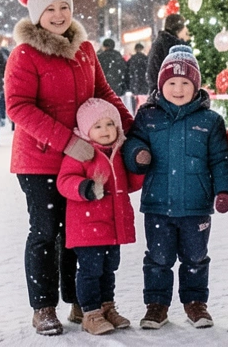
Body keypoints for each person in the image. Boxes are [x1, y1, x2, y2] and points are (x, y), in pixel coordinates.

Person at [6, 0, 132, 335]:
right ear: (37, 15)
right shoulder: (25, 55)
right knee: (46, 231)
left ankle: (82, 301)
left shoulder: (85, 50)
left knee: (81, 231)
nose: (59, 15)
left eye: (64, 7)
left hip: (83, 157)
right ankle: (43, 306)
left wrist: (130, 127)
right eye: (50, 9)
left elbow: (102, 92)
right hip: (40, 159)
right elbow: (18, 106)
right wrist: (66, 141)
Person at [122, 45, 228, 331]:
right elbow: (133, 142)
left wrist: (225, 191)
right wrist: (138, 154)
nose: (178, 89)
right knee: (158, 258)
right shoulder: (148, 116)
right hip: (158, 203)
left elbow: (221, 159)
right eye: (172, 82)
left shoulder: (210, 121)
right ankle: (156, 305)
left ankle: (195, 302)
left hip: (196, 205)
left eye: (185, 83)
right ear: (161, 85)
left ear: (195, 86)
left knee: (195, 256)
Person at [56, 98, 143, 335]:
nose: (105, 130)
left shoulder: (118, 152)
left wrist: (139, 169)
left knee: (108, 269)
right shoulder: (82, 153)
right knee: (91, 270)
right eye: (98, 126)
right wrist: (84, 187)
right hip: (88, 227)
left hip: (112, 226)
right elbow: (64, 181)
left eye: (110, 124)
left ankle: (107, 307)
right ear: (86, 130)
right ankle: (90, 313)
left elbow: (129, 185)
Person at [146, 14, 190, 94]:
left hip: (160, 93)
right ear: (178, 29)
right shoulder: (172, 45)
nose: (187, 30)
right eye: (185, 27)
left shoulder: (163, 42)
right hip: (168, 94)